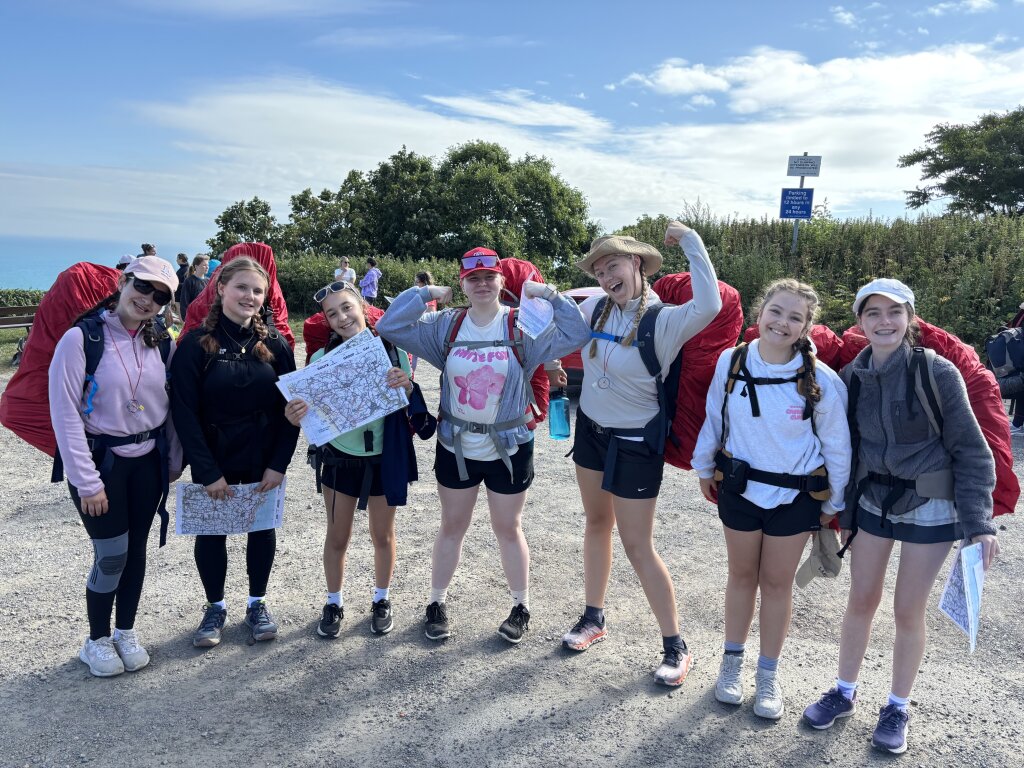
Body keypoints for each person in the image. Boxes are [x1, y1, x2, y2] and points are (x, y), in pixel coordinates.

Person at [802, 278, 999, 754]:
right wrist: (845, 513)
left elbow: (972, 451)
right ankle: (844, 692)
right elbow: (847, 450)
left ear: (910, 318)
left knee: (908, 609)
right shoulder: (852, 375)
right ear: (860, 320)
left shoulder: (938, 373)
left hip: (931, 506)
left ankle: (897, 706)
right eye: (873, 313)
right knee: (861, 599)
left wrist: (979, 524)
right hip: (873, 502)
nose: (884, 321)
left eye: (894, 312)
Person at [376, 247, 590, 643]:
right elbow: (390, 325)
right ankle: (436, 602)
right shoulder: (446, 325)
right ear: (462, 283)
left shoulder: (522, 326)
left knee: (508, 528)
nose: (482, 284)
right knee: (452, 526)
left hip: (510, 446)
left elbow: (577, 333)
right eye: (472, 278)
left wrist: (549, 295)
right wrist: (425, 293)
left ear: (501, 281)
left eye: (489, 276)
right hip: (456, 444)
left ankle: (521, 606)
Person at [561, 221, 721, 687]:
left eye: (613, 265)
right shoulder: (596, 309)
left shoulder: (663, 319)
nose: (606, 276)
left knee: (637, 545)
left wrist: (691, 242)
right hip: (591, 432)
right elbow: (555, 327)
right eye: (599, 270)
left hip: (635, 441)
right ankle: (594, 617)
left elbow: (710, 304)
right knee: (596, 523)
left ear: (636, 263)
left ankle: (675, 645)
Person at [691, 279, 851, 718]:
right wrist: (703, 467)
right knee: (741, 576)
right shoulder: (732, 361)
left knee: (777, 585)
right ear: (759, 314)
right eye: (776, 311)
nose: (782, 322)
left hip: (796, 498)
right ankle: (730, 666)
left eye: (795, 317)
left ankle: (767, 676)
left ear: (806, 327)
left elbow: (837, 446)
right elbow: (714, 417)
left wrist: (834, 503)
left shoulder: (821, 379)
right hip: (740, 489)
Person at [49, 256, 181, 676]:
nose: (148, 299)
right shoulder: (81, 339)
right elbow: (65, 414)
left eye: (160, 296)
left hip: (148, 463)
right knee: (111, 555)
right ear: (123, 282)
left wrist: (174, 460)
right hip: (101, 464)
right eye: (142, 287)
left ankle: (125, 631)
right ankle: (96, 639)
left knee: (136, 550)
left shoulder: (163, 342)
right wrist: (86, 481)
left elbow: (173, 407)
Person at [285, 281, 429, 638]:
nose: (342, 317)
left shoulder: (394, 352)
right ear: (327, 321)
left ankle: (382, 599)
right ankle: (333, 602)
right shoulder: (319, 360)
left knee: (383, 535)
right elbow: (309, 416)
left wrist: (408, 386)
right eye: (332, 313)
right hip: (340, 459)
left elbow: (408, 406)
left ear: (363, 307)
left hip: (384, 458)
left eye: (347, 307)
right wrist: (295, 415)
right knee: (337, 536)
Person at [170, 257, 299, 648]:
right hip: (215, 456)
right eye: (242, 287)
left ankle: (257, 604)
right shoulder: (195, 344)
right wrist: (208, 471)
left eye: (257, 291)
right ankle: (215, 607)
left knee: (261, 528)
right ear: (221, 288)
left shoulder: (275, 344)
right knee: (212, 532)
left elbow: (293, 411)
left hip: (263, 457)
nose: (250, 296)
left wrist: (278, 464)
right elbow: (184, 413)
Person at [409, 271, 437, 373]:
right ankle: (410, 373)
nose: (415, 284)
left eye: (417, 282)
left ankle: (411, 374)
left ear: (423, 283)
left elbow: (431, 314)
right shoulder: (421, 294)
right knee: (412, 354)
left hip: (422, 329)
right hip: (417, 326)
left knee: (413, 353)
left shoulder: (429, 296)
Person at [178, 254, 210, 326]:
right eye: (204, 265)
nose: (207, 267)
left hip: (206, 319)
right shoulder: (189, 281)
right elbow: (184, 302)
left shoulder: (209, 281)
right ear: (196, 266)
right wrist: (187, 320)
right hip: (193, 319)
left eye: (208, 265)